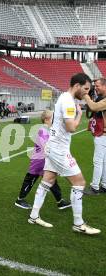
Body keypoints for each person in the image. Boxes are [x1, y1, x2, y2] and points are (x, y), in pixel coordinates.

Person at [28, 73, 100, 235]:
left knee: (48, 180)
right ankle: (78, 224)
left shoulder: (65, 97)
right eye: (86, 89)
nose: (87, 93)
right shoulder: (68, 100)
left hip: (54, 146)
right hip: (59, 149)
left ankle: (33, 216)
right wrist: (79, 116)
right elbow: (71, 128)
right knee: (80, 182)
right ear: (77, 85)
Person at [14, 110, 71, 210]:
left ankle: (60, 201)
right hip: (39, 161)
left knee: (51, 179)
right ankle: (20, 199)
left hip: (45, 160)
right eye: (53, 117)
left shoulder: (49, 129)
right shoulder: (43, 130)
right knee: (30, 179)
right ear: (46, 119)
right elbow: (46, 147)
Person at [83, 78, 106, 194]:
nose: (95, 88)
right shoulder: (102, 98)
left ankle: (95, 187)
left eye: (98, 86)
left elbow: (94, 107)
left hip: (103, 135)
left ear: (105, 86)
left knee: (98, 161)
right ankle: (104, 185)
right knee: (105, 161)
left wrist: (86, 96)